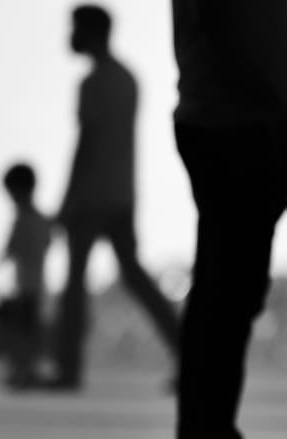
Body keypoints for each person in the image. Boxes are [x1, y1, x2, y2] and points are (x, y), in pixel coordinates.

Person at [171, 0, 287, 439]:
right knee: (227, 296)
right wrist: (284, 131)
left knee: (224, 294)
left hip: (234, 126)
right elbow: (225, 36)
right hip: (237, 130)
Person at [53, 5, 181, 390]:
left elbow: (87, 144)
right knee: (136, 277)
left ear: (91, 32)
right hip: (122, 193)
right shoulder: (126, 78)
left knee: (75, 284)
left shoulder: (94, 82)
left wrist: (68, 200)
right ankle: (188, 355)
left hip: (92, 196)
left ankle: (68, 370)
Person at [0, 163, 54, 390]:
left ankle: (23, 370)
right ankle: (25, 369)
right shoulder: (43, 221)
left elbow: (7, 252)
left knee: (18, 329)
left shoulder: (24, 221)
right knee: (27, 330)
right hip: (36, 287)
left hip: (25, 288)